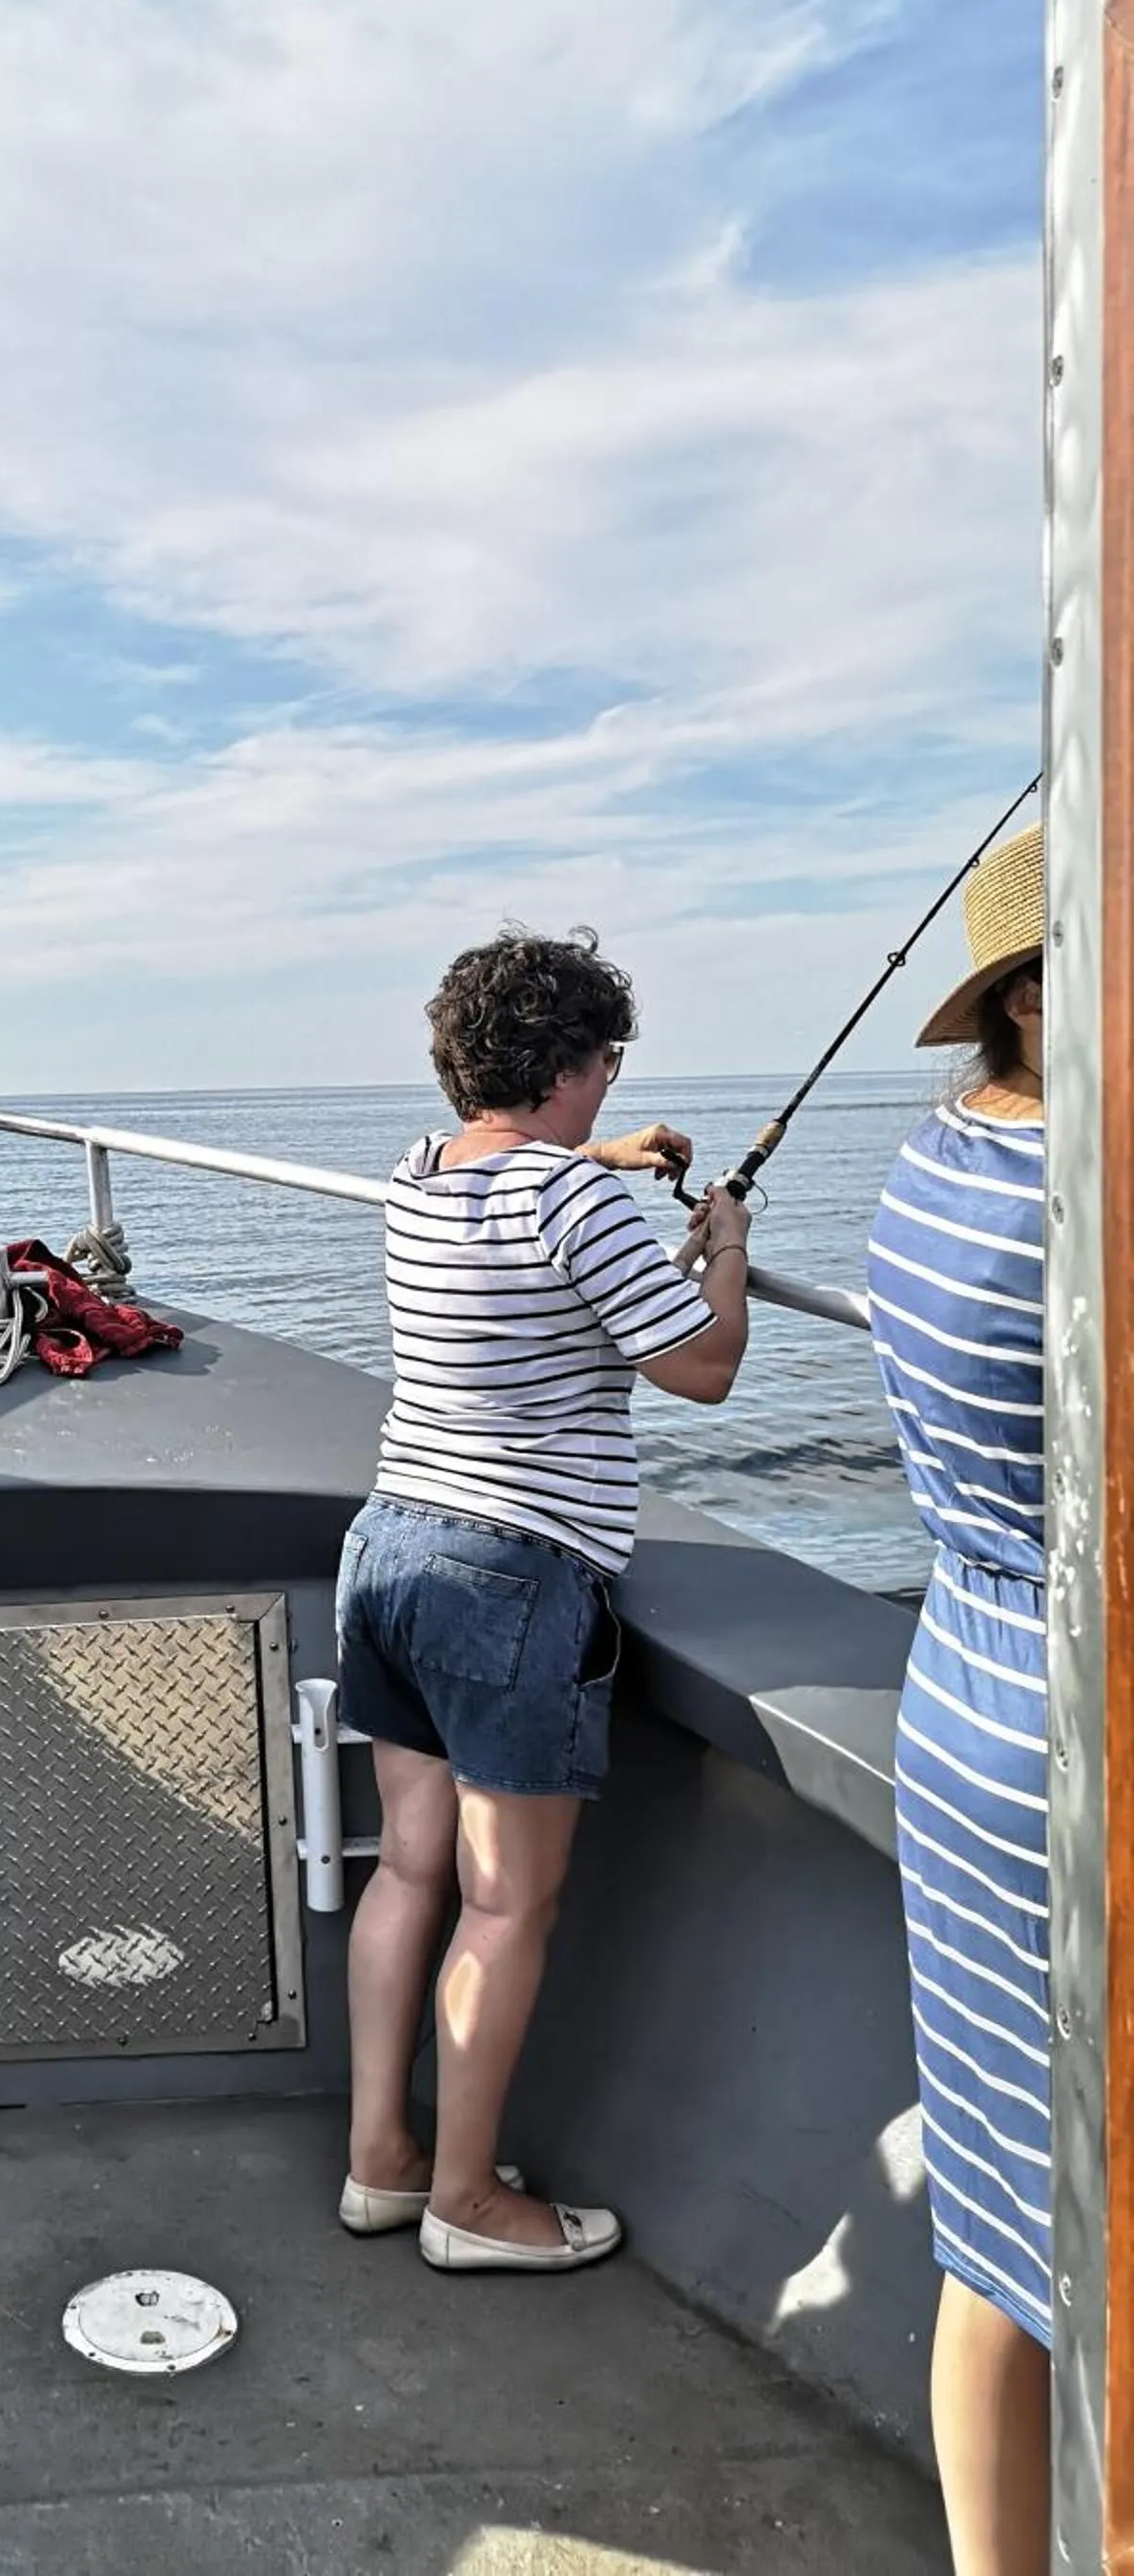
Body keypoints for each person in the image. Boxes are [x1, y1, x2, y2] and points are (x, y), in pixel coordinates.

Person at [336, 926, 751, 2273]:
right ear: (576, 1067)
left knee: (410, 1866)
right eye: (608, 1066)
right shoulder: (574, 1211)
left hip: (389, 1546)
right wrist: (722, 1251)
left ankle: (380, 2164)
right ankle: (469, 2201)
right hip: (507, 1577)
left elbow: (515, 1171)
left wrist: (608, 1157)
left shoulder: (415, 1179)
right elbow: (698, 1371)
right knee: (504, 1903)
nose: (613, 1086)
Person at [866, 825, 1050, 2576]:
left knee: (1001, 2230)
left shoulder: (933, 1163)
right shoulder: (1086, 1204)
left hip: (959, 1697)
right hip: (1084, 1752)